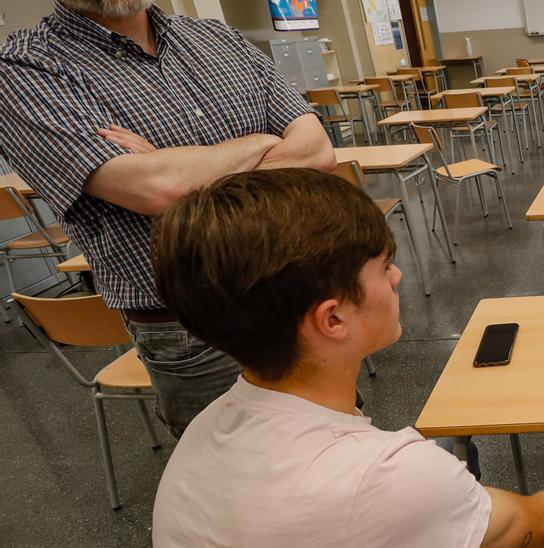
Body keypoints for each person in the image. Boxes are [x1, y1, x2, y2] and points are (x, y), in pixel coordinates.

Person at [149, 169, 544, 547]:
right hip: (410, 498)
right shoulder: (389, 477)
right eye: (384, 266)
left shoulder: (203, 431)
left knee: (458, 462)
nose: (397, 277)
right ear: (333, 319)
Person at [0, 0, 336, 438]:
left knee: (341, 454)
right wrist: (264, 140)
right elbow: (158, 189)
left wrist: (170, 166)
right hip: (191, 329)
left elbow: (317, 151)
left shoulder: (219, 40)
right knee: (236, 487)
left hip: (299, 294)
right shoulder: (24, 69)